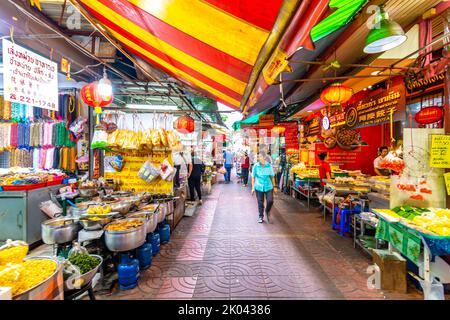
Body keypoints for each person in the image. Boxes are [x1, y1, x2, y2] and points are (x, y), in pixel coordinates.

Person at [252, 151, 277, 224]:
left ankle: (267, 211)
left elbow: (272, 177)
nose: (258, 158)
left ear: (264, 157)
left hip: (268, 186)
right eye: (258, 157)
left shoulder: (269, 166)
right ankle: (261, 216)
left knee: (270, 201)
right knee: (260, 202)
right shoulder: (256, 166)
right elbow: (253, 177)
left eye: (260, 156)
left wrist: (274, 187)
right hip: (258, 186)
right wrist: (253, 187)